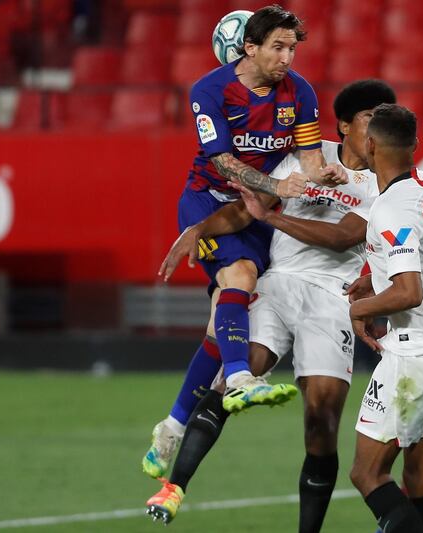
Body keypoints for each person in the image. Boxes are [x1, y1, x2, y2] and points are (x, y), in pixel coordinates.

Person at [145, 80, 398, 529]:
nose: (379, 127)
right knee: (232, 381)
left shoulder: (385, 187)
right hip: (278, 283)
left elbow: (343, 238)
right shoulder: (305, 156)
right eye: (370, 117)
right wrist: (200, 229)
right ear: (343, 125)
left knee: (321, 418)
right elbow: (246, 210)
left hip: (331, 299)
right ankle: (173, 486)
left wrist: (274, 217)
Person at [141, 4, 348, 480]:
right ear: (249, 47)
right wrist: (277, 188)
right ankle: (239, 380)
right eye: (278, 47)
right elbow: (222, 162)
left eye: (293, 48)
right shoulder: (209, 91)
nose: (287, 58)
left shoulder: (303, 93)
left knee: (222, 326)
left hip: (256, 212)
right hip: (209, 203)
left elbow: (311, 159)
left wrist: (328, 175)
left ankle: (171, 427)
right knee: (242, 276)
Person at [346, 104, 423, 533]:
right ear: (415, 146)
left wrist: (358, 309)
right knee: (421, 479)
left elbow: (408, 292)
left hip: (417, 354)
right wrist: (372, 276)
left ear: (369, 144)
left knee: (367, 474)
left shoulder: (390, 208)